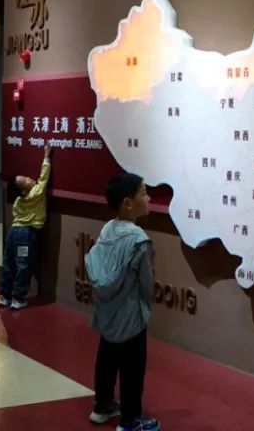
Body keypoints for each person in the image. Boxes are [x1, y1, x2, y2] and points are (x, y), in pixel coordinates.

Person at [85, 173, 159, 431]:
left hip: (106, 313)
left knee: (106, 359)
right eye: (144, 193)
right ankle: (130, 420)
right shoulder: (139, 240)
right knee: (133, 369)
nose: (149, 198)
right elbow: (146, 283)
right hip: (130, 316)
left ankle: (102, 406)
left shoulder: (107, 229)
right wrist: (146, 306)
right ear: (128, 203)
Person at [0, 144, 52, 310]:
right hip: (26, 235)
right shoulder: (36, 193)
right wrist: (46, 156)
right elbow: (44, 177)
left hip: (13, 233)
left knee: (9, 263)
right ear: (24, 191)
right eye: (26, 181)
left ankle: (4, 296)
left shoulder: (17, 201)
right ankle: (18, 297)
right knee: (23, 265)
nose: (30, 179)